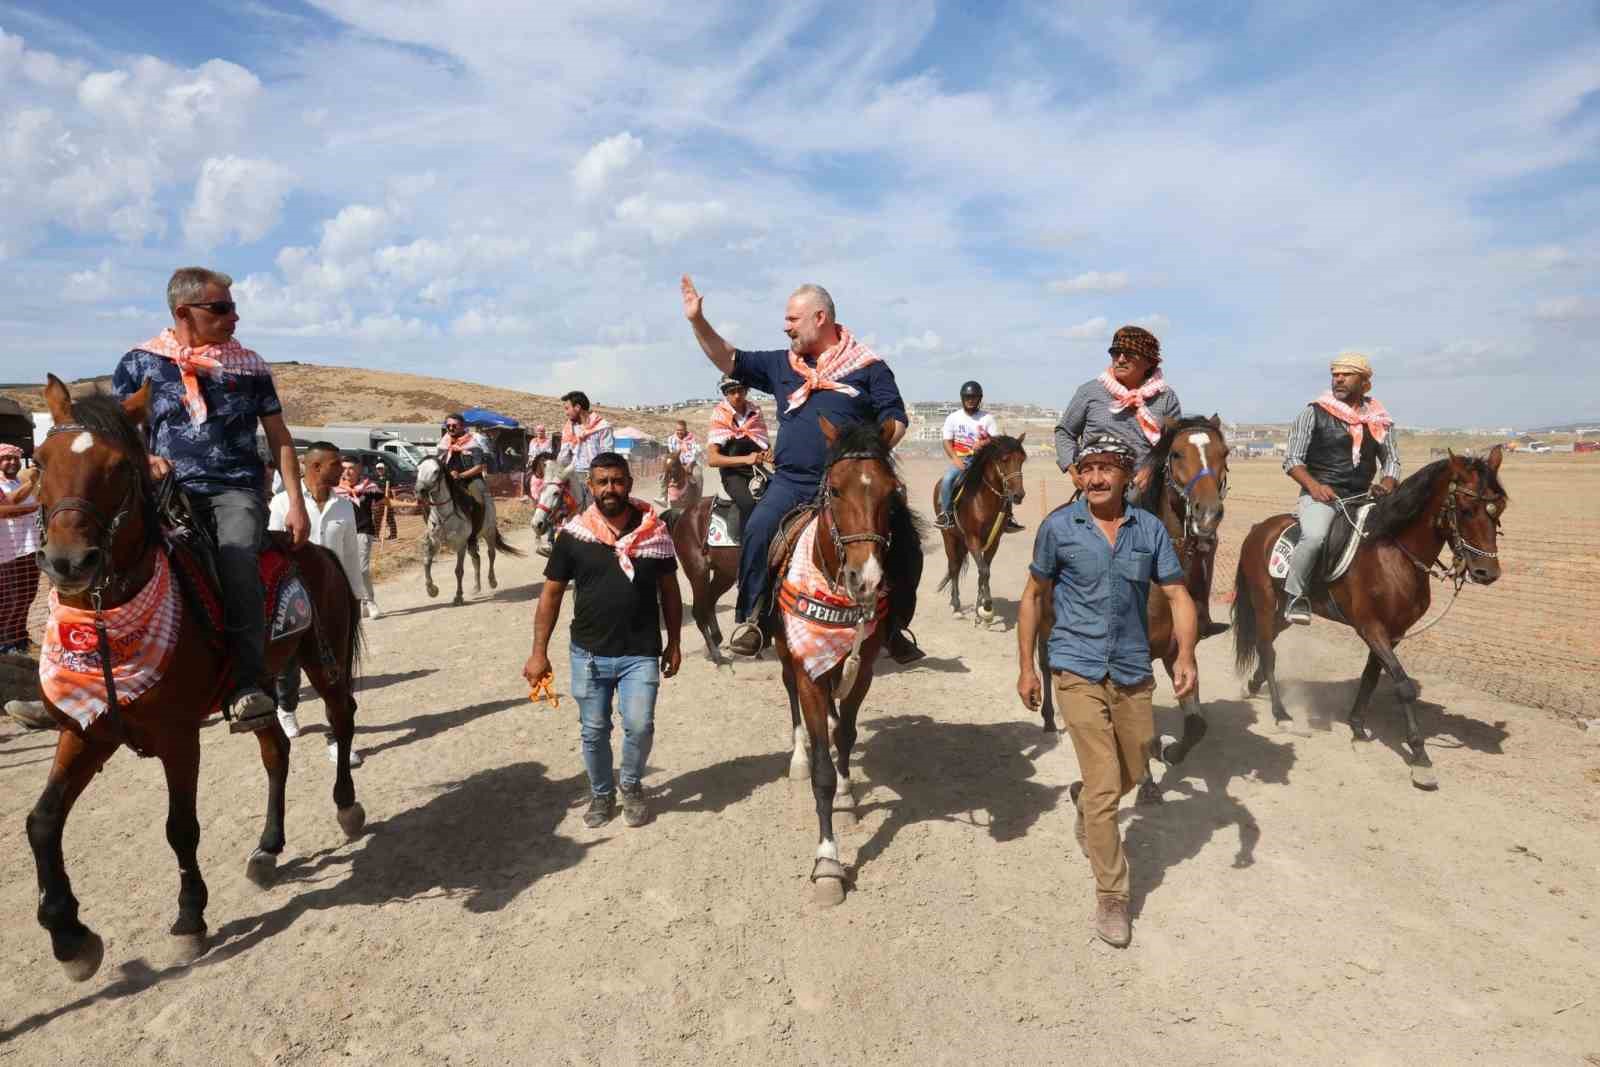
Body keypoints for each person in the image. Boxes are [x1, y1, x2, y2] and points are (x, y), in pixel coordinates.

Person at [681, 275, 924, 662]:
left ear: (820, 317)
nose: (785, 326)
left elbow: (896, 420)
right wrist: (697, 321)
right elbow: (729, 358)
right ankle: (754, 618)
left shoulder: (869, 368)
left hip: (850, 485)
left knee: (907, 540)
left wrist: (863, 457)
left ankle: (895, 626)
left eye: (792, 319)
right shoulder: (782, 364)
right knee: (759, 527)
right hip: (793, 481)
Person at [1015, 433, 1198, 948]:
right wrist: (1027, 668)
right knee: (1103, 785)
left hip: (1134, 668)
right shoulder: (1058, 528)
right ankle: (1112, 896)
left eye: (1106, 469)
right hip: (1076, 666)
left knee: (1136, 769)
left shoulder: (1151, 531)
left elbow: (1178, 596)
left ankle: (1084, 804)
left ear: (1127, 475)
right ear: (1075, 476)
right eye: (1085, 468)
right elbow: (1032, 599)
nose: (1095, 478)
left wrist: (1184, 654)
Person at [112, 266, 310, 733]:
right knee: (106, 552)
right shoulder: (138, 363)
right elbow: (118, 431)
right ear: (184, 312)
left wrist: (296, 501)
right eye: (221, 308)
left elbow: (279, 437)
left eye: (233, 307)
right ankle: (81, 677)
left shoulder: (251, 364)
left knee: (237, 557)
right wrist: (145, 459)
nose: (234, 317)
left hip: (235, 490)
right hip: (165, 491)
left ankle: (247, 684)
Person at [522, 453, 682, 829]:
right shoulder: (574, 535)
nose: (611, 489)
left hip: (640, 653)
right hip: (589, 655)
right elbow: (551, 595)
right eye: (602, 482)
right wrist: (538, 653)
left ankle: (630, 786)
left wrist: (674, 642)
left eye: (617, 481)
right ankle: (601, 792)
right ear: (590, 487)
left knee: (640, 726)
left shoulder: (654, 532)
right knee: (594, 731)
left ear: (629, 482)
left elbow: (670, 591)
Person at [1281, 352, 1400, 624]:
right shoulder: (1313, 412)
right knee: (1314, 538)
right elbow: (1292, 459)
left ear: (1364, 382)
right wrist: (1314, 486)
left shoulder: (1379, 419)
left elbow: (1391, 460)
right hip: (1322, 497)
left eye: (1346, 375)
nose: (1339, 379)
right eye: (1335, 375)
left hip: (1363, 497)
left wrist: (1388, 482)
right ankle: (1295, 596)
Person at [269, 441, 365, 766]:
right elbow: (271, 559)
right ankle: (286, 706)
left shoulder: (344, 507)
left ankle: (336, 738)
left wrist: (355, 598)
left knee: (335, 673)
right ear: (316, 467)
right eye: (337, 464)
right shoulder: (283, 504)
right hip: (293, 601)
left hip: (332, 602)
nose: (344, 469)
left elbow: (351, 555)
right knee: (288, 666)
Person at [704, 374, 771, 529]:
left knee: (782, 496)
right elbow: (712, 459)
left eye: (741, 390)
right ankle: (748, 548)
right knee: (749, 505)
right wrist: (746, 459)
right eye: (732, 392)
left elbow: (765, 445)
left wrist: (769, 456)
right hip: (733, 475)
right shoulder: (719, 415)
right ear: (725, 394)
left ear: (746, 390)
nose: (737, 395)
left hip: (757, 472)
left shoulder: (755, 412)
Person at [935, 380, 1001, 529]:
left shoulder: (987, 418)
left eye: (974, 397)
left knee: (1004, 480)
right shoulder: (953, 417)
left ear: (979, 399)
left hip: (984, 460)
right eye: (967, 397)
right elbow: (947, 442)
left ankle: (1008, 517)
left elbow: (996, 440)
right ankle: (946, 514)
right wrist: (955, 458)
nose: (970, 400)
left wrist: (983, 443)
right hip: (962, 459)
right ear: (962, 398)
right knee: (947, 480)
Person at [0, 446, 41, 655]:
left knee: (27, 596)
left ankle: (20, 637)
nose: (12, 463)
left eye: (15, 459)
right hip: (6, 551)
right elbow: (6, 505)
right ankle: (5, 643)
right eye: (6, 459)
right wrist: (32, 484)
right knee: (10, 598)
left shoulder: (18, 482)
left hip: (29, 547)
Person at [336, 457, 383, 619]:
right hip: (342, 533)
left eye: (351, 468)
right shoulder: (334, 489)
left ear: (359, 470)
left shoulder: (370, 487)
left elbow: (385, 502)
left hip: (363, 531)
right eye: (344, 468)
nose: (347, 472)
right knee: (347, 570)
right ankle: (360, 603)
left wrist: (413, 505)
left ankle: (370, 601)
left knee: (362, 569)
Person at [556, 391, 615, 510]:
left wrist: (596, 473)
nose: (566, 413)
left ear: (577, 407)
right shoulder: (569, 428)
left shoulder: (602, 426)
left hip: (597, 475)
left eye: (567, 408)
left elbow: (607, 455)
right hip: (575, 474)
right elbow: (563, 458)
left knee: (602, 509)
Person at [438, 413, 489, 510]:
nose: (451, 428)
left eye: (454, 426)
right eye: (448, 426)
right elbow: (439, 463)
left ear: (462, 427)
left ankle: (480, 524)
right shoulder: (443, 444)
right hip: (448, 478)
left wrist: (460, 476)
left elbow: (479, 467)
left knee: (479, 501)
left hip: (471, 479)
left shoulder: (473, 444)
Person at [372, 460, 399, 540]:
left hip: (387, 500)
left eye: (381, 469)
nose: (380, 470)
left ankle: (393, 535)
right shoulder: (374, 478)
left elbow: (394, 489)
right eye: (378, 469)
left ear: (384, 469)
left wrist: (394, 499)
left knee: (390, 517)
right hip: (378, 501)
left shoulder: (389, 477)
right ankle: (376, 536)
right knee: (376, 518)